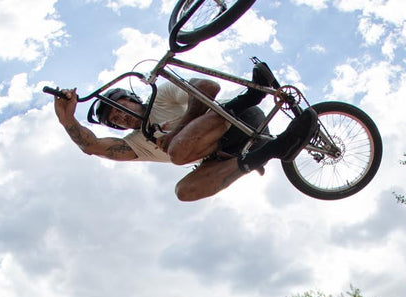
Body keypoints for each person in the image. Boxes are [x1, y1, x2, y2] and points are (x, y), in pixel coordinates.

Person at [51, 64, 318, 202]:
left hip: (238, 118)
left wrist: (179, 128)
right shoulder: (136, 143)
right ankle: (274, 149)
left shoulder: (162, 97)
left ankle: (252, 95)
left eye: (118, 108)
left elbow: (207, 86)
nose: (120, 117)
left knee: (177, 152)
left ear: (131, 98)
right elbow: (93, 145)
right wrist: (67, 120)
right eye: (115, 121)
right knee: (184, 191)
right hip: (225, 152)